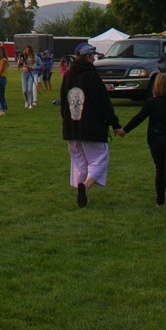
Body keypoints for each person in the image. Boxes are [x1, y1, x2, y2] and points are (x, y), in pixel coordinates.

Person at [61, 42, 124, 207]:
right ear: (88, 57)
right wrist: (115, 124)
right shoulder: (92, 76)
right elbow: (103, 103)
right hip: (91, 127)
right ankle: (86, 186)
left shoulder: (67, 76)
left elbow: (63, 103)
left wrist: (67, 122)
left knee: (80, 163)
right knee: (100, 159)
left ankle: (83, 195)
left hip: (72, 127)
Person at [119, 72, 166, 213]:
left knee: (160, 169)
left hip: (157, 140)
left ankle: (160, 200)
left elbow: (139, 118)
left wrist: (124, 130)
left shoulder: (151, 103)